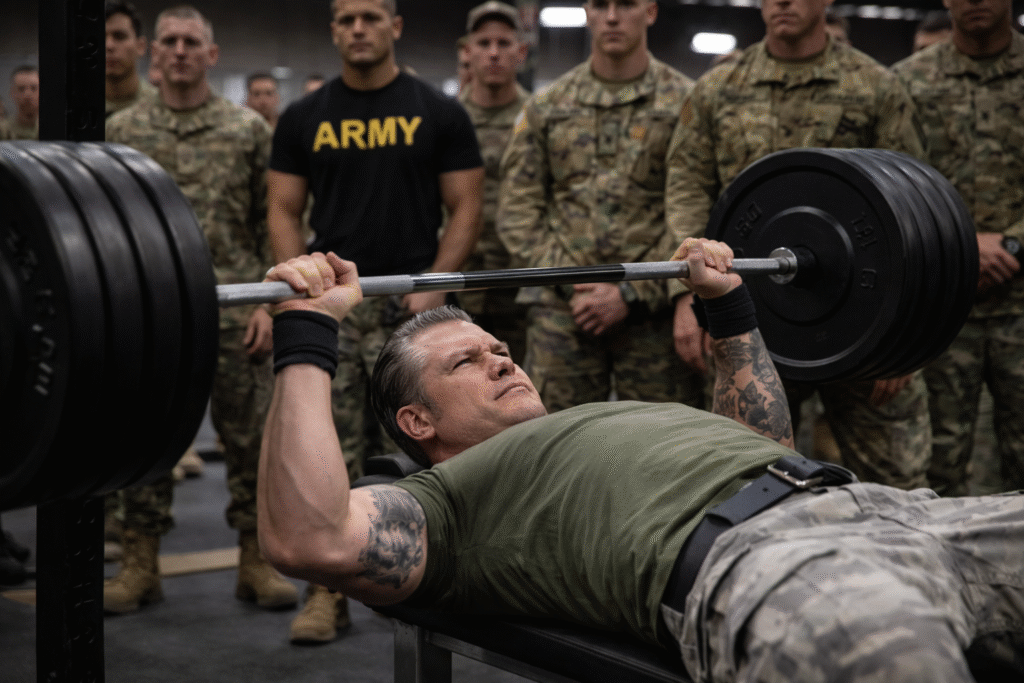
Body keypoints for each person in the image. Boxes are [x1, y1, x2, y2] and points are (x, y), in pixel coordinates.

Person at [257, 242, 1024, 683]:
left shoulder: (595, 418)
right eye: (467, 362)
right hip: (772, 566)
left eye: (500, 348)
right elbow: (309, 537)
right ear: (416, 419)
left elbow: (765, 447)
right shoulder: (445, 503)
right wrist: (307, 334)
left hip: (895, 508)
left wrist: (727, 306)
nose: (502, 361)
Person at [266, 0, 483, 643]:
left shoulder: (438, 111)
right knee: (327, 442)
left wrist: (432, 287)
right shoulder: (306, 116)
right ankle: (325, 596)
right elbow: (283, 206)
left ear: (396, 25)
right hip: (338, 302)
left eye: (369, 16)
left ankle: (457, 577)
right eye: (344, 19)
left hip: (410, 300)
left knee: (440, 443)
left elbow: (466, 206)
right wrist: (297, 272)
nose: (357, 28)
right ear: (333, 30)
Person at [665, 0, 932, 491]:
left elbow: (913, 208)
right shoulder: (718, 89)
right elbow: (687, 190)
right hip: (752, 319)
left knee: (897, 486)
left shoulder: (874, 86)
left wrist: (905, 338)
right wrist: (688, 294)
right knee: (747, 479)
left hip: (865, 326)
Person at [104, 4, 297, 614]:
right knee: (143, 438)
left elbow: (273, 219)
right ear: (150, 53)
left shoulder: (247, 131)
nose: (181, 51)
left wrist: (272, 301)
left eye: (192, 42)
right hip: (152, 311)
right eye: (169, 41)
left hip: (238, 306)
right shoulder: (121, 131)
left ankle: (255, 561)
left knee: (249, 442)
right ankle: (140, 562)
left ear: (212, 55)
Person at [498, 0, 701, 413]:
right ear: (587, 13)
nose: (611, 16)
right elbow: (518, 210)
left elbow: (694, 206)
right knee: (555, 449)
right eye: (599, 5)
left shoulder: (688, 104)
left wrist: (633, 291)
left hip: (655, 315)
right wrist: (578, 285)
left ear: (650, 11)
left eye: (625, 5)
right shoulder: (548, 106)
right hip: (563, 312)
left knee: (660, 451)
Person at [893, 0, 1024, 496]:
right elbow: (898, 185)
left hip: (1021, 302)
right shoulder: (908, 81)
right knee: (938, 464)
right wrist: (963, 245)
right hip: (943, 308)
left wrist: (1013, 243)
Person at [457, 2, 530, 364]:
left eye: (503, 43)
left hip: (519, 278)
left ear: (521, 52)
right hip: (456, 277)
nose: (494, 53)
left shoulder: (537, 118)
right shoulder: (448, 119)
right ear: (467, 52)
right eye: (484, 43)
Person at [105, 1, 157, 117]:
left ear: (141, 46)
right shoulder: (75, 108)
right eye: (100, 37)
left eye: (119, 36)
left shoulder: (162, 106)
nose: (109, 46)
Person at [1, 66, 39, 140]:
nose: (27, 95)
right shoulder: (3, 130)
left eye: (34, 88)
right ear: (12, 93)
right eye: (21, 89)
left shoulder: (53, 128)